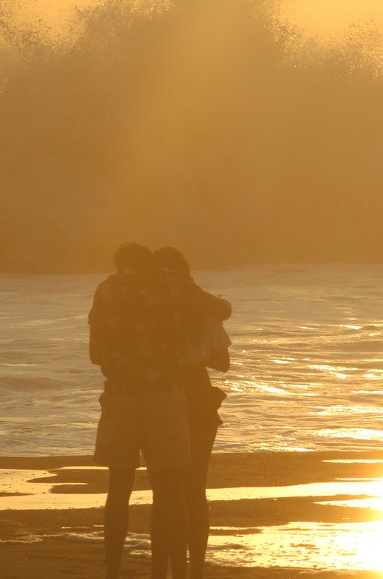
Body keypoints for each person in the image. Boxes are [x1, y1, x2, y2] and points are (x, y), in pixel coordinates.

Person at [89, 243, 190, 579]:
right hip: (164, 396)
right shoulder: (168, 287)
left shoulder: (106, 291)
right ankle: (167, 571)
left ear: (118, 264)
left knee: (118, 490)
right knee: (168, 491)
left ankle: (112, 570)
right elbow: (214, 313)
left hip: (122, 397)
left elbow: (95, 353)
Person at [152, 246, 231, 579]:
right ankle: (191, 570)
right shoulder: (201, 307)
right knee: (193, 488)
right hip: (196, 398)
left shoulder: (148, 310)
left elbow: (221, 361)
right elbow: (222, 361)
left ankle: (166, 570)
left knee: (166, 491)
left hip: (166, 400)